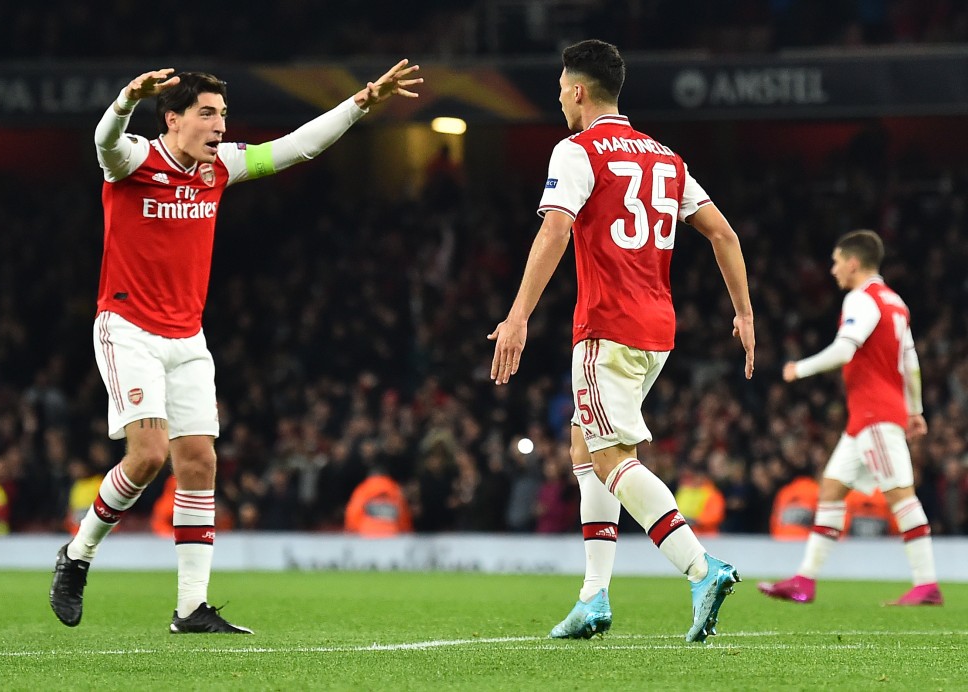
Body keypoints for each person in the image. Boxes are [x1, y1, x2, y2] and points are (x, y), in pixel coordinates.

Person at [49, 61, 423, 634]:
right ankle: (77, 556)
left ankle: (190, 608)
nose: (220, 125)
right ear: (172, 119)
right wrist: (124, 99)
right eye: (207, 113)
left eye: (223, 114)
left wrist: (361, 103)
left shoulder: (217, 169)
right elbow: (104, 141)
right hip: (127, 328)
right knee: (148, 456)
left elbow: (296, 148)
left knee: (198, 462)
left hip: (188, 336)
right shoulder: (135, 161)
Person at [488, 39, 755, 643]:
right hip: (657, 331)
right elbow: (725, 235)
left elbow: (555, 229)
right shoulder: (666, 158)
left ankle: (700, 567)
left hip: (608, 325)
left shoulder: (578, 150)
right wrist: (744, 313)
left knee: (610, 458)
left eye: (561, 88)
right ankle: (593, 596)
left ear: (578, 90)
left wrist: (518, 316)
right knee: (585, 444)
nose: (558, 99)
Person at [759, 230, 942, 606]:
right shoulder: (895, 302)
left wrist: (799, 369)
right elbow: (911, 362)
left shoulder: (862, 299)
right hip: (869, 416)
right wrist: (916, 410)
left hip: (875, 413)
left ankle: (927, 584)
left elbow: (845, 349)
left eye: (836, 260)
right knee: (831, 488)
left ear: (853, 262)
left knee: (900, 495)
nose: (832, 269)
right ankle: (804, 581)